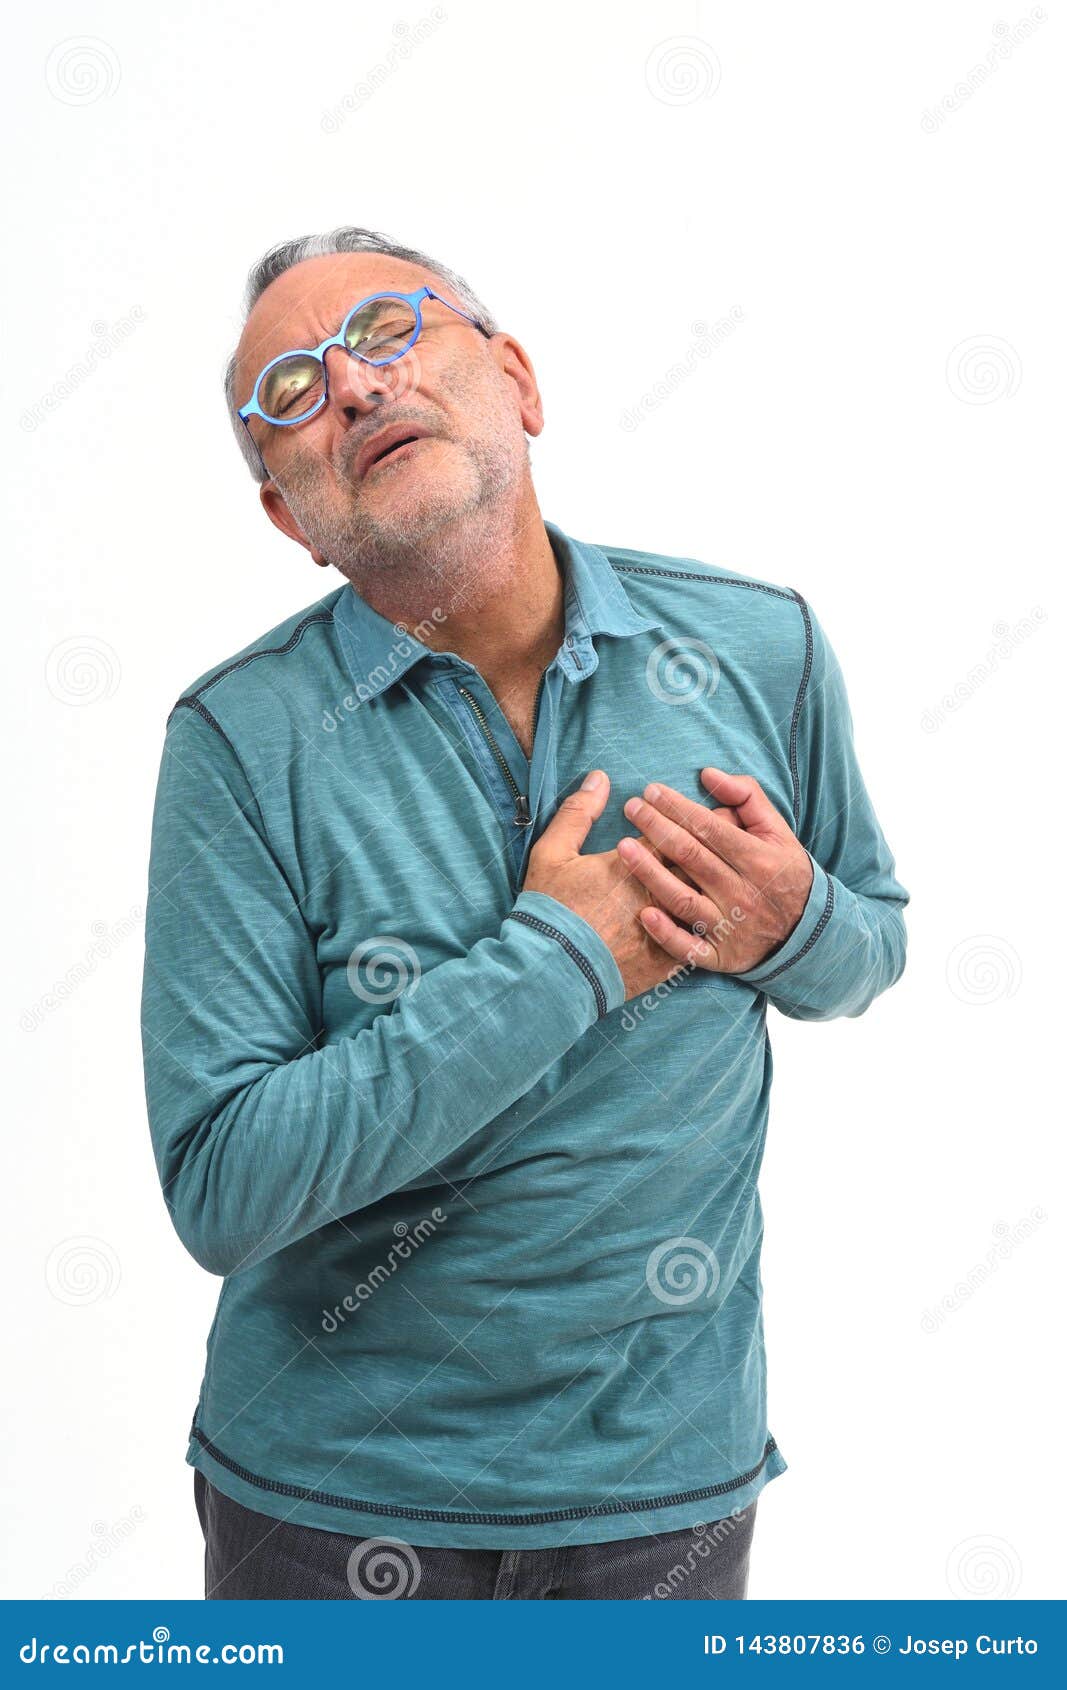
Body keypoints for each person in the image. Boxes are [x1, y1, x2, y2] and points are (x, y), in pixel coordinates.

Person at [140, 227, 909, 1600]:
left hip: (666, 1495)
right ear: (288, 518)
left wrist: (796, 923)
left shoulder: (760, 644)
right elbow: (223, 1185)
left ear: (517, 380)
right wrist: (557, 956)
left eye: (388, 330)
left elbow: (871, 945)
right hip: (324, 1511)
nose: (357, 386)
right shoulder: (237, 741)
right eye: (293, 394)